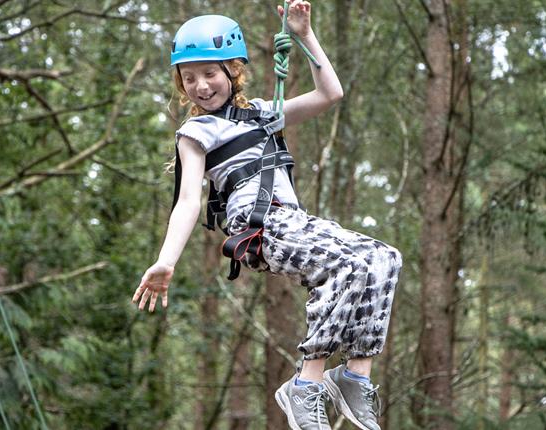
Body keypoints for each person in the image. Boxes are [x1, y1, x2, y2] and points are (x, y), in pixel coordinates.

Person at [132, 2, 402, 429]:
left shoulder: (262, 112)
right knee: (346, 265)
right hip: (259, 229)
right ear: (181, 86)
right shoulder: (196, 133)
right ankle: (306, 384)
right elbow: (187, 201)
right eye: (189, 78)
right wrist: (167, 260)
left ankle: (354, 376)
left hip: (294, 221)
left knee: (384, 258)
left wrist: (305, 34)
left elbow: (330, 94)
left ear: (232, 71)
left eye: (210, 74)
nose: (201, 86)